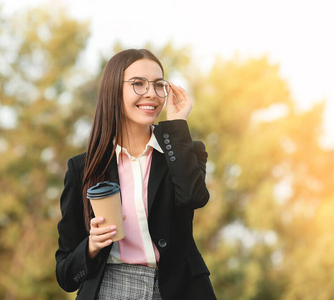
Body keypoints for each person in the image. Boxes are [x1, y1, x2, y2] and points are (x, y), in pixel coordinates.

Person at [55, 49, 216, 300]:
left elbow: (193, 198)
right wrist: (92, 245)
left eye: (158, 84)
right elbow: (65, 273)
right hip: (111, 289)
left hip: (179, 289)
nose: (151, 93)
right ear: (113, 90)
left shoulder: (183, 151)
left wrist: (177, 126)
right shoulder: (83, 168)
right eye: (138, 84)